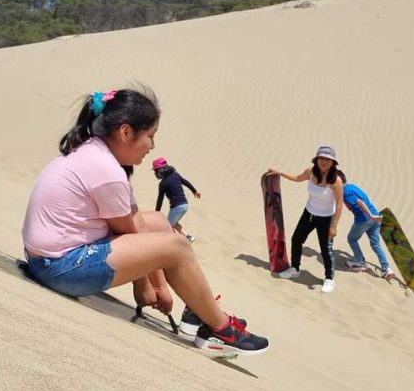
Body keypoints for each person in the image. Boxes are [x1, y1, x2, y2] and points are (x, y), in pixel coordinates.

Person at [21, 86, 268, 355]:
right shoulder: (105, 170)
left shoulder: (96, 152)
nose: (153, 146)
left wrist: (155, 284)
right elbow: (129, 234)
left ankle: (200, 309)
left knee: (160, 223)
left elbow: (136, 220)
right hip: (60, 267)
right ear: (125, 132)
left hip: (52, 257)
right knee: (176, 246)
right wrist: (151, 286)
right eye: (150, 136)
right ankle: (221, 331)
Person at [266, 146, 345, 294]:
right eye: (322, 158)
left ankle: (329, 278)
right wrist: (280, 172)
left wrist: (334, 226)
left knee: (326, 250)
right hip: (309, 213)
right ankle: (295, 269)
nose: (324, 162)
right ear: (317, 159)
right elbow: (297, 178)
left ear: (333, 162)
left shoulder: (336, 180)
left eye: (328, 159)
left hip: (326, 218)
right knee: (296, 239)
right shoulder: (310, 172)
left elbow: (339, 204)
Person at [342, 181, 395, 280]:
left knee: (351, 239)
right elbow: (364, 198)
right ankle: (387, 269)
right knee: (376, 244)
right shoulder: (352, 186)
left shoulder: (345, 192)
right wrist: (373, 215)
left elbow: (359, 202)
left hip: (364, 219)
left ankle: (360, 262)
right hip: (376, 216)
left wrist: (370, 215)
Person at [152, 157, 202, 243]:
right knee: (173, 223)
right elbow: (185, 182)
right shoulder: (176, 175)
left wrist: (157, 212)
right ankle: (187, 237)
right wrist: (195, 191)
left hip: (177, 207)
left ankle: (177, 244)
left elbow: (160, 199)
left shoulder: (162, 184)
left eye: (155, 171)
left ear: (159, 172)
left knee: (168, 226)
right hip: (185, 205)